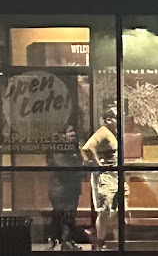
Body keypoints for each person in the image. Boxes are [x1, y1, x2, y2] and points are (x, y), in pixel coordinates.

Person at [82, 103, 119, 248]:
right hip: (105, 176)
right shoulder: (103, 132)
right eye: (116, 118)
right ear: (108, 120)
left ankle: (101, 234)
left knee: (119, 208)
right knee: (104, 210)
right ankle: (100, 240)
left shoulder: (114, 134)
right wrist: (98, 164)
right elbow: (87, 147)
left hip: (115, 175)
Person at [46, 124, 87, 247]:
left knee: (70, 215)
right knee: (60, 215)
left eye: (74, 131)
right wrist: (80, 167)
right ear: (62, 135)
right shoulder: (57, 148)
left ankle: (66, 241)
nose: (73, 134)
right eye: (70, 131)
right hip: (60, 188)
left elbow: (81, 163)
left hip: (72, 188)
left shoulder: (76, 148)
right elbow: (64, 166)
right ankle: (57, 240)